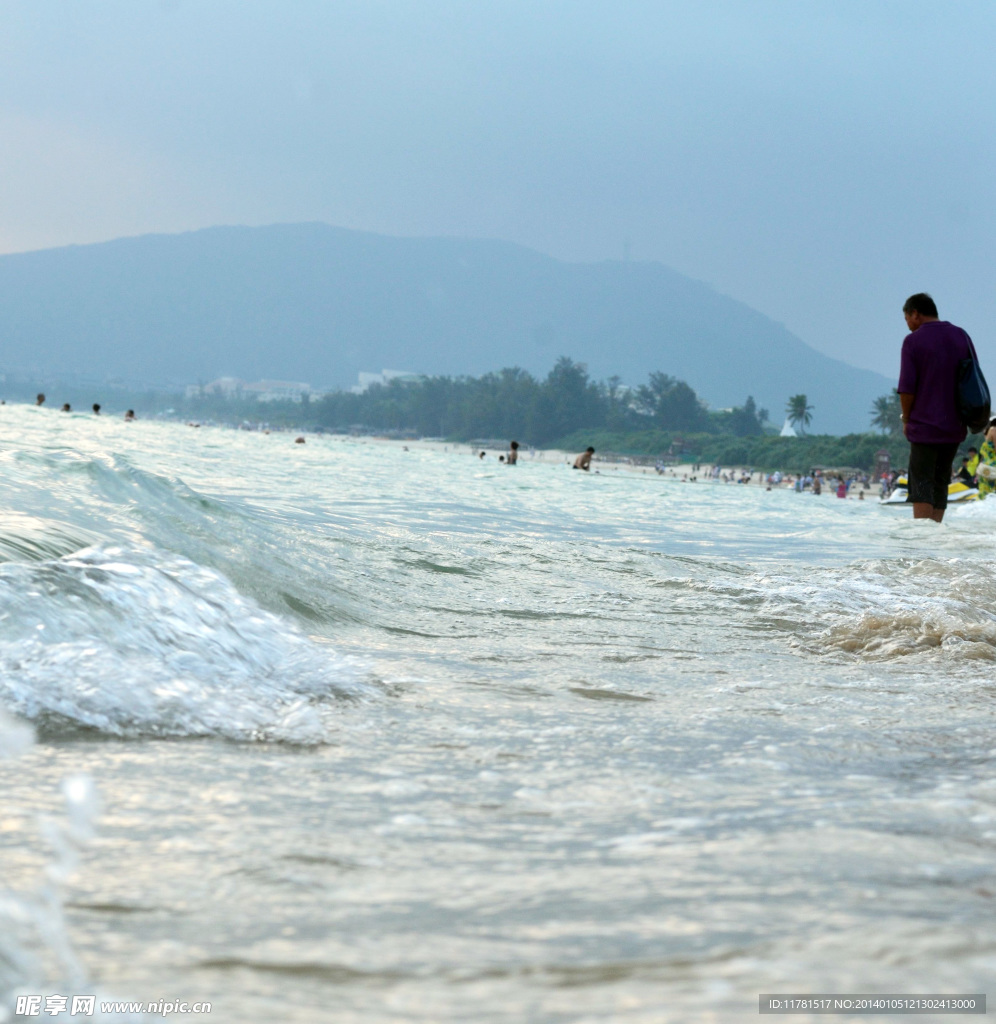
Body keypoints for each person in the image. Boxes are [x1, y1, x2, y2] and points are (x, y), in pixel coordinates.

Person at [898, 292, 977, 523]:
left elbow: (907, 389)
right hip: (954, 426)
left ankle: (923, 544)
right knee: (941, 481)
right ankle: (934, 540)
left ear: (915, 313)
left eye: (907, 319)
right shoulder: (961, 336)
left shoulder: (913, 341)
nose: (909, 325)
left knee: (922, 482)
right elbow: (972, 378)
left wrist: (906, 419)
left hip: (924, 426)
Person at [976, 417, 996, 499]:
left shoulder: (987, 432)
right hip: (993, 467)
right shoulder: (994, 430)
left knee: (985, 494)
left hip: (985, 467)